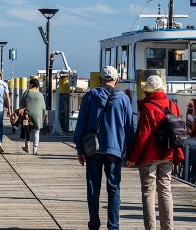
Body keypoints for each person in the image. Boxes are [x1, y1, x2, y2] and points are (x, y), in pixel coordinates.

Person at [73, 66, 135, 230]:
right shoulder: (123, 99)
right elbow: (129, 127)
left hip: (93, 149)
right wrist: (130, 152)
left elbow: (81, 124)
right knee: (114, 189)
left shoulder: (90, 96)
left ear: (100, 80)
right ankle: (113, 226)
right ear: (117, 79)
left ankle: (94, 224)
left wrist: (80, 149)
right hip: (115, 150)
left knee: (93, 188)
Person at [126, 75, 185, 230]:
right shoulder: (172, 105)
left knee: (148, 192)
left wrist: (133, 158)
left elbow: (142, 135)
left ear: (147, 91)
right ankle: (168, 227)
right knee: (166, 190)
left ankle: (150, 228)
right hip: (168, 154)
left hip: (149, 157)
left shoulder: (147, 107)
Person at [19, 78, 46, 155]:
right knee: (36, 132)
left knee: (28, 131)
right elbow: (43, 106)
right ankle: (35, 149)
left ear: (31, 84)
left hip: (28, 114)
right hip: (38, 115)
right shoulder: (40, 94)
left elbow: (21, 103)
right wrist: (44, 114)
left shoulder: (27, 92)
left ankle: (27, 147)